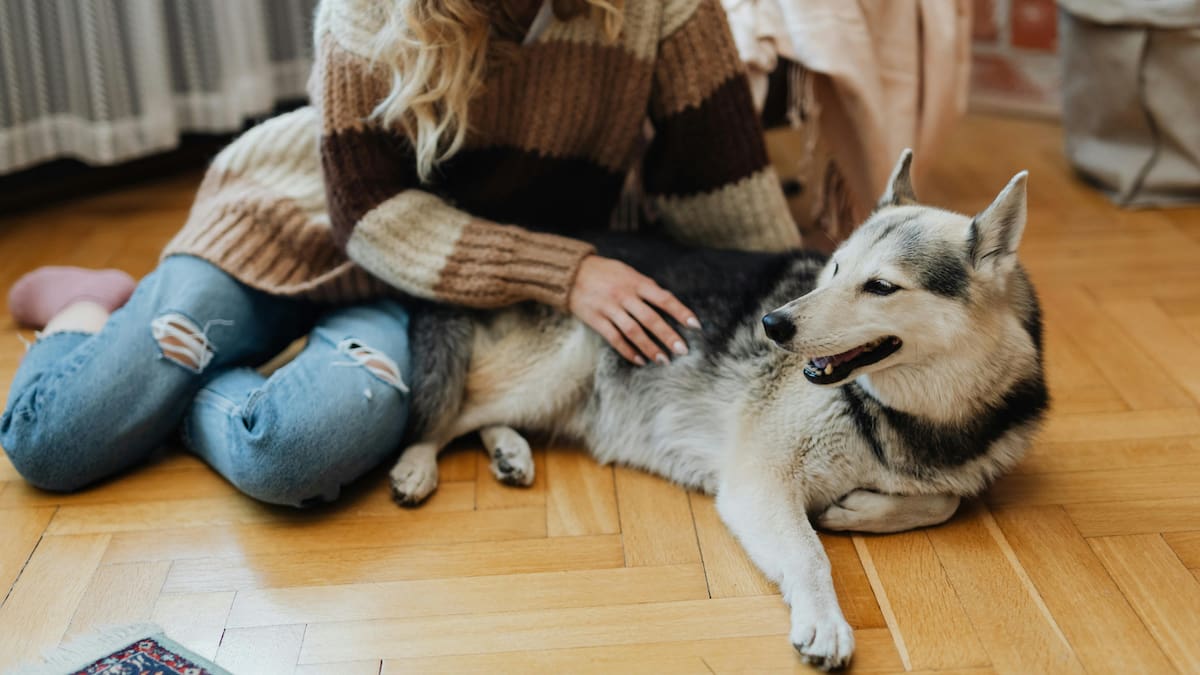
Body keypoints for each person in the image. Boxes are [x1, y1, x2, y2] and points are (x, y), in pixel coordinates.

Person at [0, 0, 800, 507]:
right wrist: (568, 271)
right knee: (55, 440)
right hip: (292, 226)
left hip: (436, 288)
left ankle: (169, 384)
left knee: (292, 454)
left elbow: (725, 194)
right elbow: (369, 216)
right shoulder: (366, 11)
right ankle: (89, 303)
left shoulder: (665, 9)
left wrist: (801, 326)